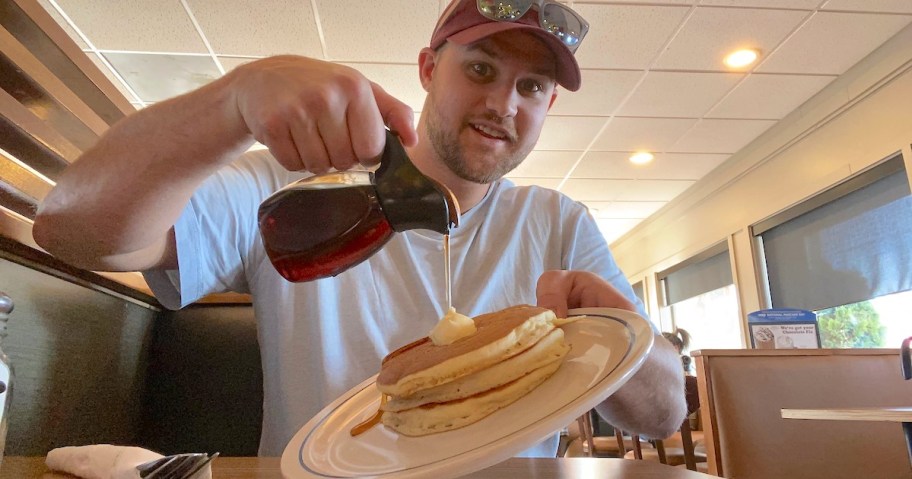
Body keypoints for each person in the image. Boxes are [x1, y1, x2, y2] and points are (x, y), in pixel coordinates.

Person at [32, 0, 686, 457]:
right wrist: (233, 100)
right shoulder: (296, 186)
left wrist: (619, 334)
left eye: (532, 87)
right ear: (430, 69)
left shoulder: (558, 223)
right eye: (480, 69)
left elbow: (662, 418)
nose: (501, 104)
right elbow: (71, 228)